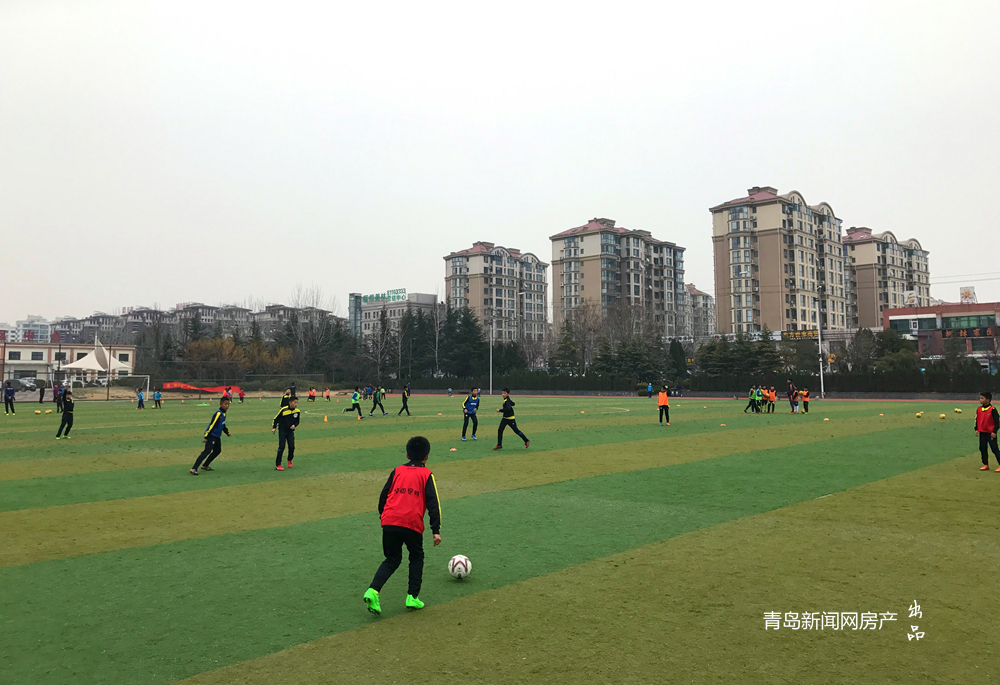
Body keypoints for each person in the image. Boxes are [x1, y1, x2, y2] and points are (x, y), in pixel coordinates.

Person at [363, 435, 442, 615]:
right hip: (411, 522)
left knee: (392, 559)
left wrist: (384, 516)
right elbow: (433, 503)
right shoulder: (426, 474)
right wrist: (435, 530)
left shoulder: (397, 471)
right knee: (416, 556)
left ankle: (372, 590)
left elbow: (384, 495)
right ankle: (412, 597)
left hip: (390, 520)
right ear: (427, 456)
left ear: (407, 455)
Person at [189, 396, 232, 474]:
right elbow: (212, 425)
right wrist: (206, 436)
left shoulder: (224, 413)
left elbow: (222, 424)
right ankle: (194, 468)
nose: (227, 406)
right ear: (221, 404)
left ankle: (205, 465)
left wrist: (226, 432)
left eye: (228, 404)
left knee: (217, 451)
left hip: (217, 436)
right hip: (212, 435)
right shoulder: (218, 413)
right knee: (207, 451)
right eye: (225, 404)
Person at [272, 396, 301, 471]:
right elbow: (276, 419)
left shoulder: (297, 411)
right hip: (282, 430)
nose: (296, 404)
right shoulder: (283, 409)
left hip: (290, 432)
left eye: (297, 403)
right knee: (281, 447)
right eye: (295, 402)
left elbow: (297, 421)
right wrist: (274, 427)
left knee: (292, 447)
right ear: (290, 402)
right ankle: (278, 464)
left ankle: (289, 459)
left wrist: (294, 425)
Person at [976, 392, 1000, 471]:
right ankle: (985, 464)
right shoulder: (979, 409)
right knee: (982, 448)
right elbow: (978, 419)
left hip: (990, 433)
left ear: (988, 400)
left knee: (994, 448)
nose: (980, 400)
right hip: (982, 432)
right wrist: (976, 429)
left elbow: (997, 422)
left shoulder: (992, 409)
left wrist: (994, 431)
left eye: (982, 398)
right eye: (980, 398)